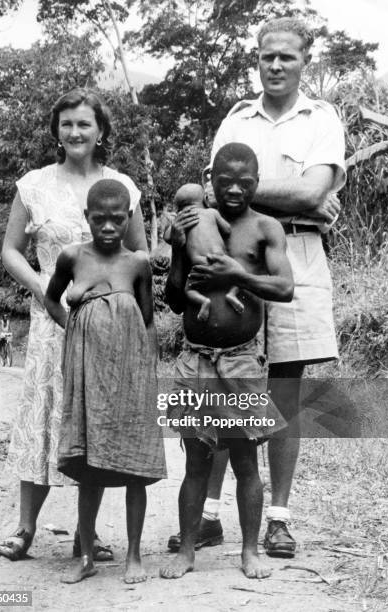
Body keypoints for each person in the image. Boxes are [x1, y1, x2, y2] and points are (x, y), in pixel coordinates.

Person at [168, 17, 346, 558]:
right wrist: (293, 195)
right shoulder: (236, 118)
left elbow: (308, 192)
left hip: (294, 255)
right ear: (257, 58)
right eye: (267, 56)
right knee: (223, 393)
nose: (275, 66)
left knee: (284, 395)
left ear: (303, 62)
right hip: (228, 255)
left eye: (287, 57)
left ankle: (278, 519)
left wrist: (251, 191)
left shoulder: (322, 118)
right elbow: (216, 192)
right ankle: (213, 517)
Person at [0, 88, 148, 561]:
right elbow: (9, 251)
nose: (75, 132)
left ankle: (89, 533)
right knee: (42, 418)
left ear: (100, 130)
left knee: (95, 423)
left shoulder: (121, 185)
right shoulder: (34, 184)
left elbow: (140, 254)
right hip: (52, 323)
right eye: (66, 124)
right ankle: (25, 528)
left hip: (107, 331)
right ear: (56, 131)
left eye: (84, 124)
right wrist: (45, 291)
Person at [160, 142, 294, 580]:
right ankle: (187, 553)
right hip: (197, 360)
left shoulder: (265, 228)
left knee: (245, 462)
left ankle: (250, 551)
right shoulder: (193, 221)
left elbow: (284, 287)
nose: (235, 188)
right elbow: (175, 297)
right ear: (209, 180)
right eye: (225, 180)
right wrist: (179, 247)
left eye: (245, 181)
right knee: (196, 461)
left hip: (241, 362)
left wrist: (237, 275)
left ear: (257, 182)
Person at [44, 179, 166, 584]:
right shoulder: (72, 258)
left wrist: (149, 370)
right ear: (87, 218)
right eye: (100, 219)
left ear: (128, 218)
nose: (109, 227)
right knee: (87, 465)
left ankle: (134, 555)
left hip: (130, 375)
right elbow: (51, 299)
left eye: (118, 219)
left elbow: (147, 320)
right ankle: (85, 558)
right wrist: (73, 326)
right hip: (87, 373)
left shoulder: (137, 264)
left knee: (134, 463)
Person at [174, 183, 244, 320]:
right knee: (241, 274)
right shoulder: (212, 213)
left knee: (189, 290)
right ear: (206, 199)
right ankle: (232, 294)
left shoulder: (181, 221)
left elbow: (168, 237)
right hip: (220, 258)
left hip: (199, 263)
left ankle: (204, 302)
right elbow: (227, 230)